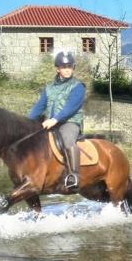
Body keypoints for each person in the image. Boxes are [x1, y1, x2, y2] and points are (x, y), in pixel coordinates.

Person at [29, 51, 86, 190]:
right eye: (64, 66)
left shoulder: (78, 86)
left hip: (70, 122)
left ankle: (74, 176)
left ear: (73, 68)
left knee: (67, 140)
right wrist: (26, 122)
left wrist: (55, 120)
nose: (67, 69)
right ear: (58, 68)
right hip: (51, 122)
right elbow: (39, 107)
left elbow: (71, 107)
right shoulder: (49, 88)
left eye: (70, 66)